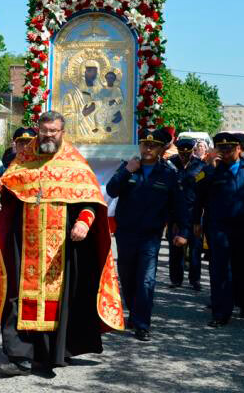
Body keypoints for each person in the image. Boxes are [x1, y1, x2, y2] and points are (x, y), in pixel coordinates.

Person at [0, 111, 124, 375]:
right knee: (19, 293)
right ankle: (21, 355)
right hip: (25, 242)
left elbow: (91, 199)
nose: (48, 135)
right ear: (38, 129)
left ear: (63, 132)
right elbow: (8, 193)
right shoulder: (24, 158)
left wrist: (84, 221)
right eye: (44, 130)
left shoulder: (74, 163)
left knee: (62, 297)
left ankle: (54, 352)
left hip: (63, 243)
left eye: (54, 131)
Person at [107, 128, 188, 341]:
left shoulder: (169, 174)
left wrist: (184, 231)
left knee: (146, 280)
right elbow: (112, 190)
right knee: (128, 277)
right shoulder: (128, 166)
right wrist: (127, 171)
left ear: (162, 149)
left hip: (150, 236)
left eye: (153, 145)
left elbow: (179, 206)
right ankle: (134, 313)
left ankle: (142, 324)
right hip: (126, 234)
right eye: (144, 144)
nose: (148, 148)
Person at [194, 132, 244, 327]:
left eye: (229, 149)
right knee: (220, 269)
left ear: (239, 149)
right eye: (221, 149)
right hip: (218, 228)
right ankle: (221, 312)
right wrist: (196, 223)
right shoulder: (211, 170)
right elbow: (196, 194)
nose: (225, 153)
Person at [168, 137, 206, 291]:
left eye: (187, 153)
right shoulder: (170, 164)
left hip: (194, 213)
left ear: (192, 151)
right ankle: (176, 279)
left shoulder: (200, 166)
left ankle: (195, 280)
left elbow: (204, 190)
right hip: (175, 214)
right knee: (175, 248)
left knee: (195, 248)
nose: (184, 156)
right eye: (181, 153)